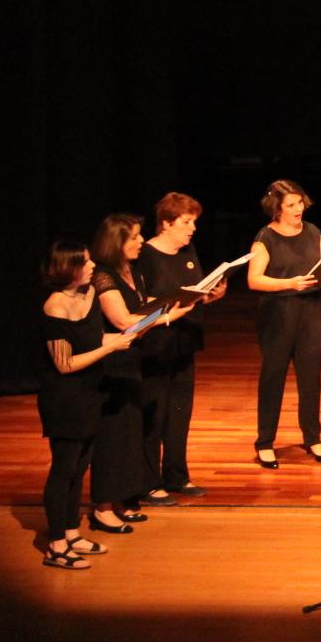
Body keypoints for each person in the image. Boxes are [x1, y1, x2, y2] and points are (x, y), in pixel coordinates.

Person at [89, 214, 192, 532]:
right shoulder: (103, 276)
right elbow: (123, 321)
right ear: (117, 242)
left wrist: (177, 299)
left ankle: (122, 498)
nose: (141, 241)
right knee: (112, 438)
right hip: (112, 368)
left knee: (130, 435)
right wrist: (165, 317)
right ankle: (102, 507)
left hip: (133, 362)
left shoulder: (132, 270)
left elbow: (142, 302)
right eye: (134, 237)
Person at [37, 240, 135, 569]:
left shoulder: (89, 294)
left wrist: (122, 337)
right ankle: (56, 545)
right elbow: (65, 364)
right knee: (64, 469)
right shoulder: (55, 306)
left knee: (80, 468)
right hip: (65, 398)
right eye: (86, 263)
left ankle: (71, 532)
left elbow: (92, 339)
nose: (93, 266)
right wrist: (109, 348)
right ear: (69, 269)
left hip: (92, 391)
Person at [135, 192, 225, 503]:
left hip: (184, 343)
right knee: (154, 416)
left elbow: (193, 292)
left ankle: (176, 476)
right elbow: (140, 304)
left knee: (178, 415)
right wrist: (169, 306)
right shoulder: (146, 256)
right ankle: (148, 482)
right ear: (165, 224)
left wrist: (209, 295)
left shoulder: (188, 251)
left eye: (194, 222)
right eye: (186, 222)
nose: (192, 229)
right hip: (155, 346)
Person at [247, 180, 321, 468]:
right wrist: (289, 283)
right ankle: (265, 442)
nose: (298, 209)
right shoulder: (265, 238)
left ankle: (313, 437)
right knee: (273, 377)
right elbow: (254, 279)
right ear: (277, 209)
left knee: (311, 377)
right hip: (278, 312)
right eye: (291, 205)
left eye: (300, 203)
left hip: (310, 311)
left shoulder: (312, 231)